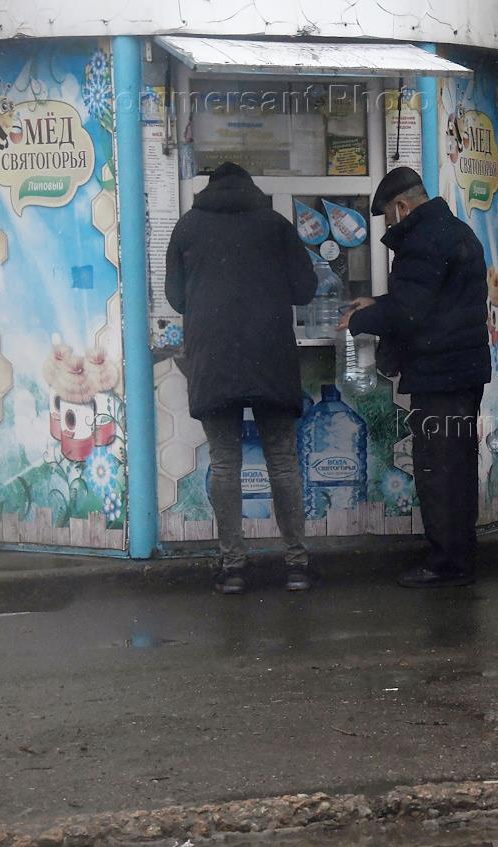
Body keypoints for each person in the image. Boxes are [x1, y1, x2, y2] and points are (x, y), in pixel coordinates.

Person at [164, 162, 317, 595]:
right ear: (252, 188)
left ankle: (233, 568)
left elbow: (176, 297)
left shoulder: (187, 227)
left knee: (225, 464)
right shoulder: (275, 224)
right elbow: (305, 290)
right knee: (283, 462)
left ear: (208, 189)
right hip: (270, 357)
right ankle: (297, 566)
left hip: (213, 359)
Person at [338, 167, 489, 589]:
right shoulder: (454, 231)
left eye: (388, 216)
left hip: (440, 374)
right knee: (455, 468)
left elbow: (410, 312)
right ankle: (458, 556)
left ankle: (446, 564)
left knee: (438, 470)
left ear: (402, 207)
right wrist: (378, 303)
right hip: (460, 371)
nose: (389, 224)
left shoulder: (422, 241)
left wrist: (359, 319)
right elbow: (426, 300)